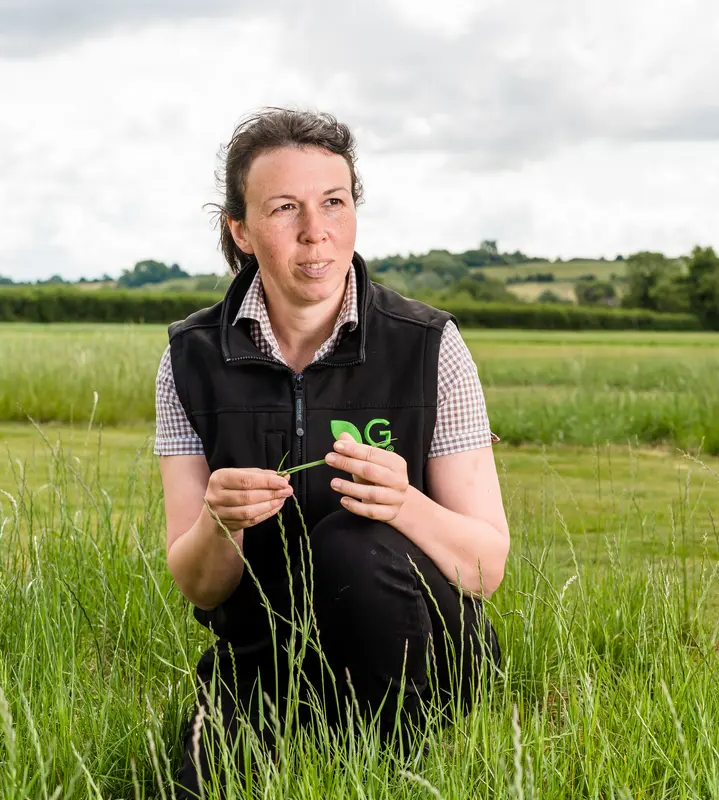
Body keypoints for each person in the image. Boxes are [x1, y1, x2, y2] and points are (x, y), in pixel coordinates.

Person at [154, 107, 510, 795]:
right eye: (285, 208)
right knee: (207, 785)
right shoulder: (187, 359)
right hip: (268, 659)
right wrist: (218, 522)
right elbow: (199, 585)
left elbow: (484, 568)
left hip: (419, 649)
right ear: (242, 231)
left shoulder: (430, 346)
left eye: (333, 203)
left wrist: (406, 505)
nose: (315, 232)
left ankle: (395, 761)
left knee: (356, 541)